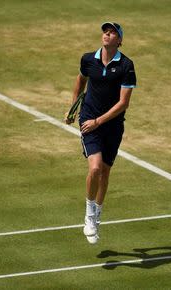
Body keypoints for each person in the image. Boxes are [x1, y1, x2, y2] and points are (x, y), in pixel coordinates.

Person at [64, 22, 137, 244]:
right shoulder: (88, 59)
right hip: (89, 121)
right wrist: (73, 107)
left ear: (119, 40)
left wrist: (100, 121)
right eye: (105, 31)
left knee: (105, 173)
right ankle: (88, 216)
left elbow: (123, 103)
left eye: (112, 32)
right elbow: (80, 82)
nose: (107, 34)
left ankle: (97, 215)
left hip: (112, 125)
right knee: (95, 168)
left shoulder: (126, 65)